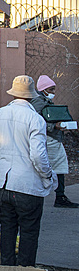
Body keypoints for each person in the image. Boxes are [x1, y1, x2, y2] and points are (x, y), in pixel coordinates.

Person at [0, 75, 57, 267]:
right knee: (29, 232)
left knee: (7, 230)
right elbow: (38, 155)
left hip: (4, 183)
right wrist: (47, 175)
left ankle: (7, 270)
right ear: (31, 95)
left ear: (13, 93)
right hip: (28, 185)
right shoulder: (35, 119)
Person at [30, 75, 78, 208]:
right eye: (51, 89)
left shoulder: (43, 100)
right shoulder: (39, 101)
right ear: (43, 89)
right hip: (50, 139)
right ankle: (59, 196)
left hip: (51, 138)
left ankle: (59, 195)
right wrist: (54, 126)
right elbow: (36, 122)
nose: (53, 92)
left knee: (56, 166)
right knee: (58, 167)